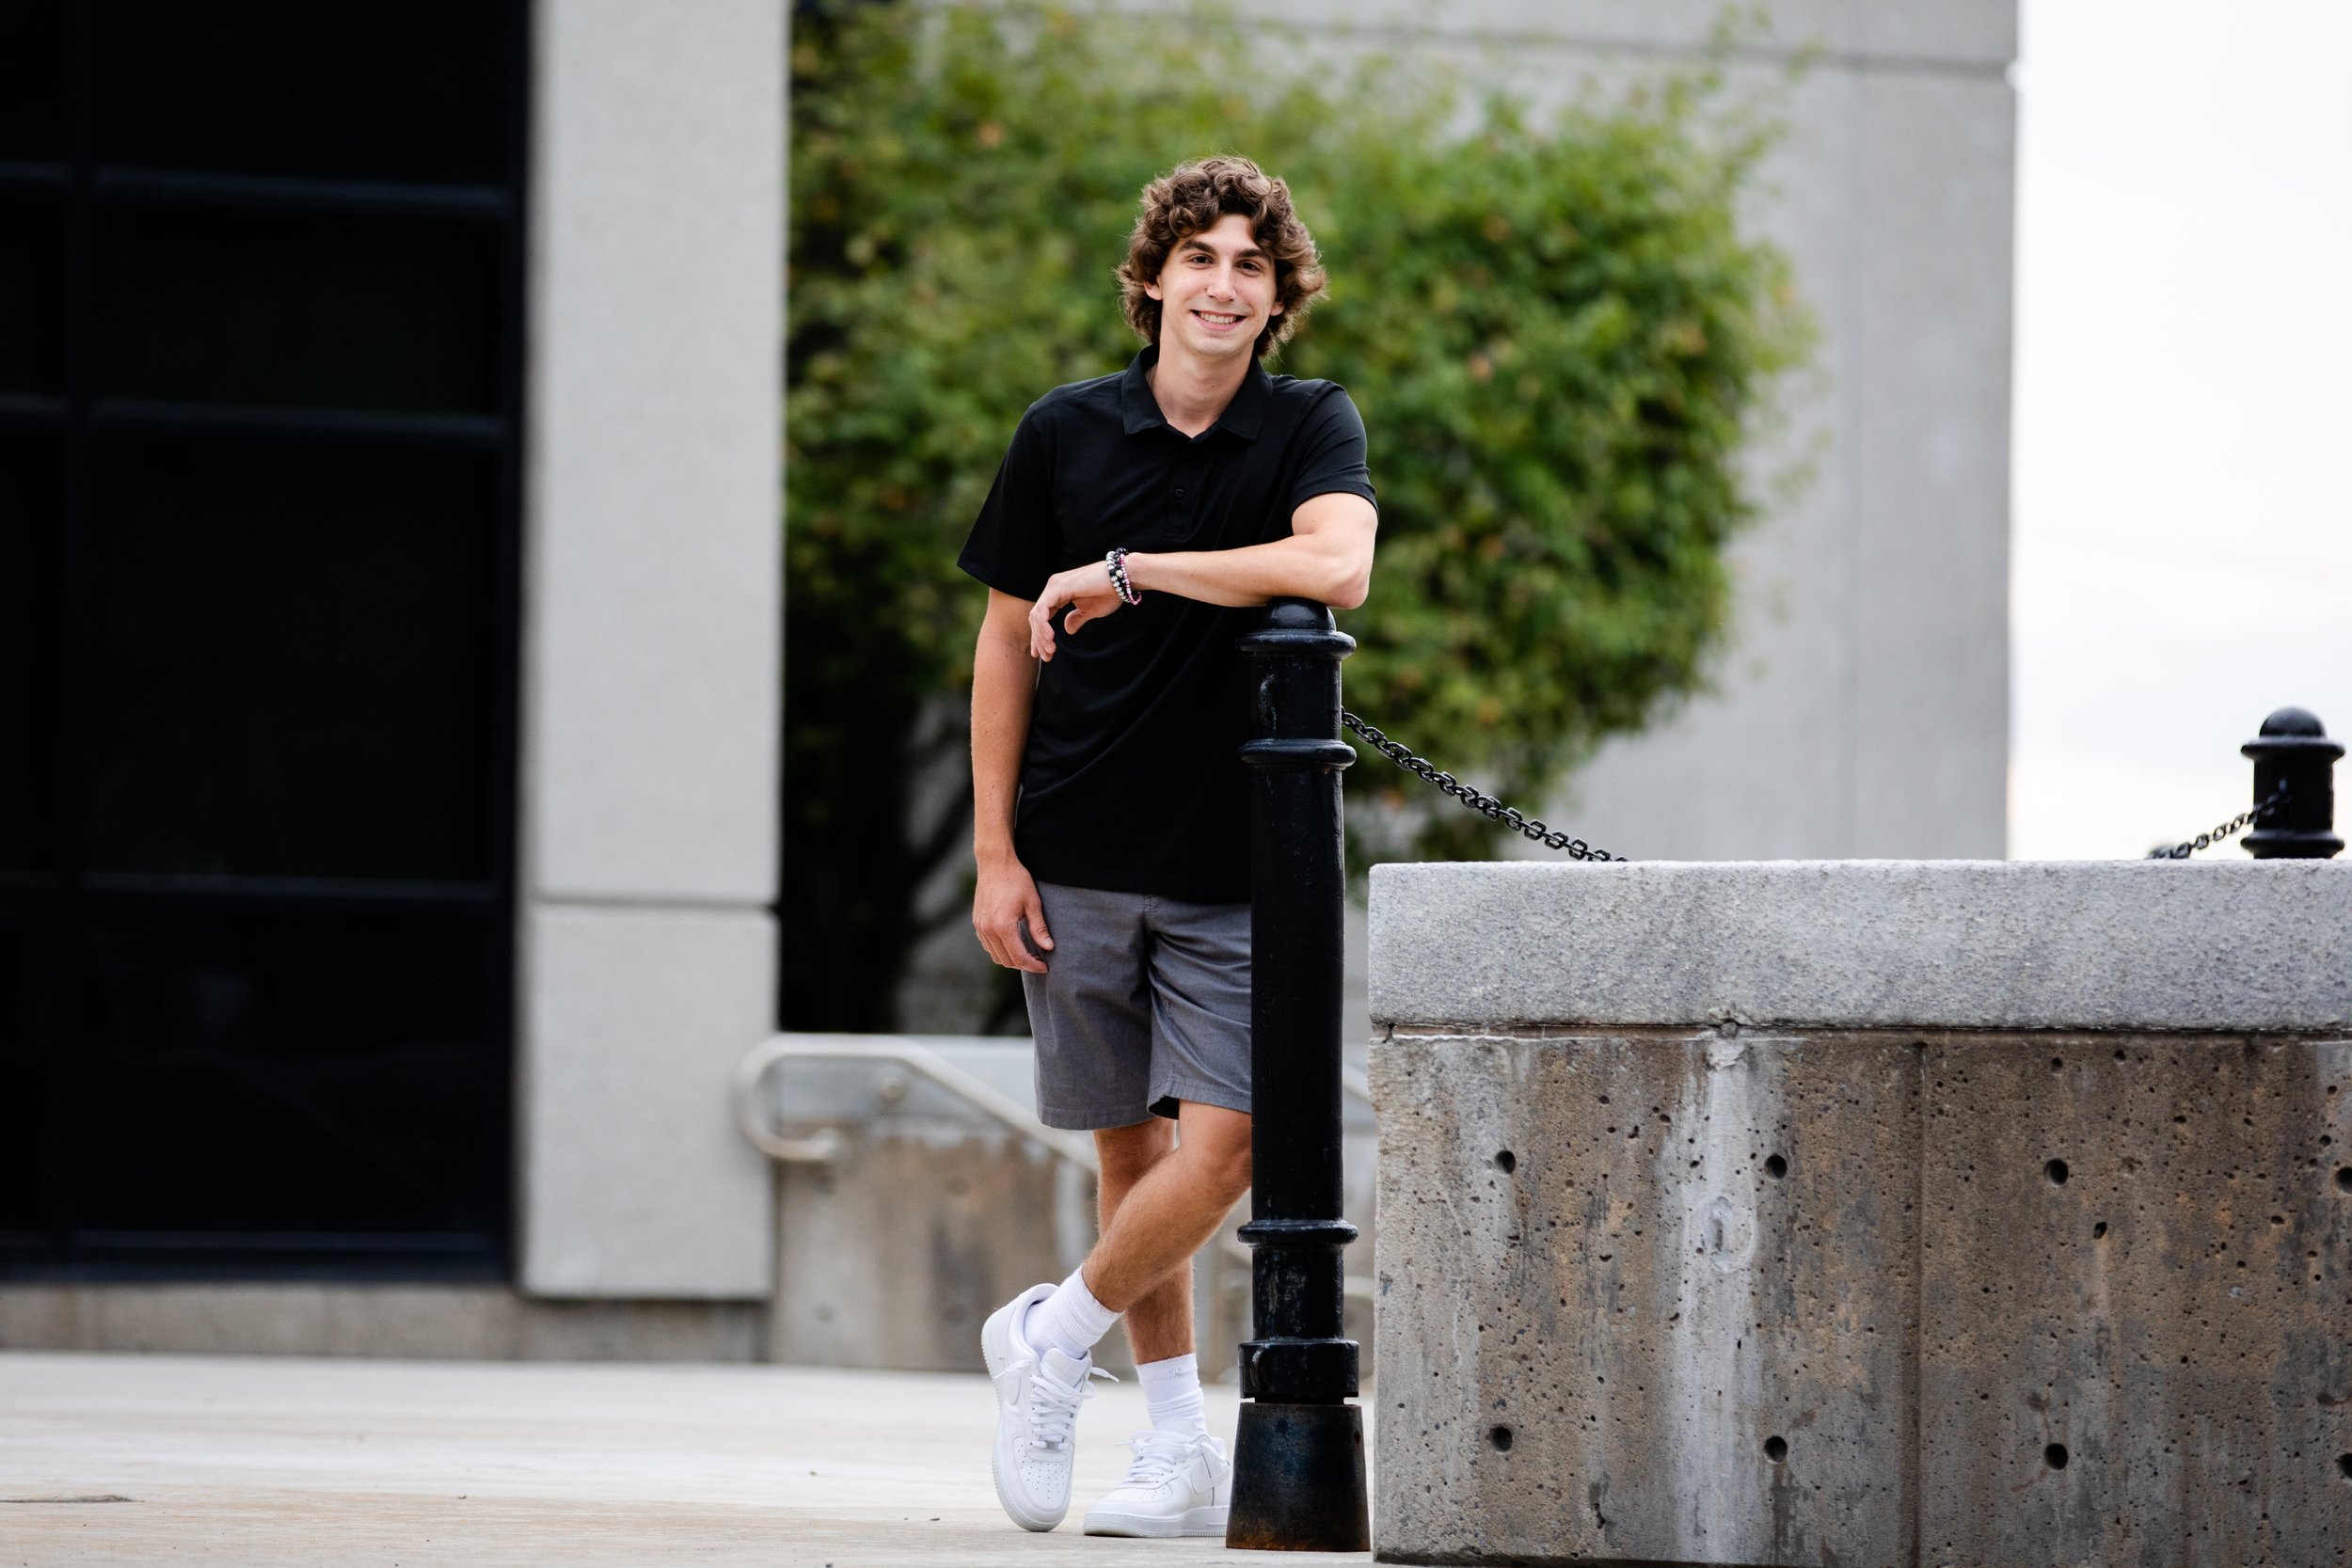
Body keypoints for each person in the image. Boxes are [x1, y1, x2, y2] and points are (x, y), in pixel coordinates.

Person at [958, 154, 1377, 1537]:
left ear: (1277, 299)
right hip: (1073, 846)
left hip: (1231, 859)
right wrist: (993, 851)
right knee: (1132, 1157)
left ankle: (1049, 1341)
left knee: (1234, 1144)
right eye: (1199, 257)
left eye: (1251, 263)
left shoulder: (1308, 426)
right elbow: (1003, 652)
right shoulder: (1064, 434)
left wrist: (1138, 573)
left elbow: (1337, 568)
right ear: (1152, 283)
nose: (1224, 281)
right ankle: (1175, 1452)